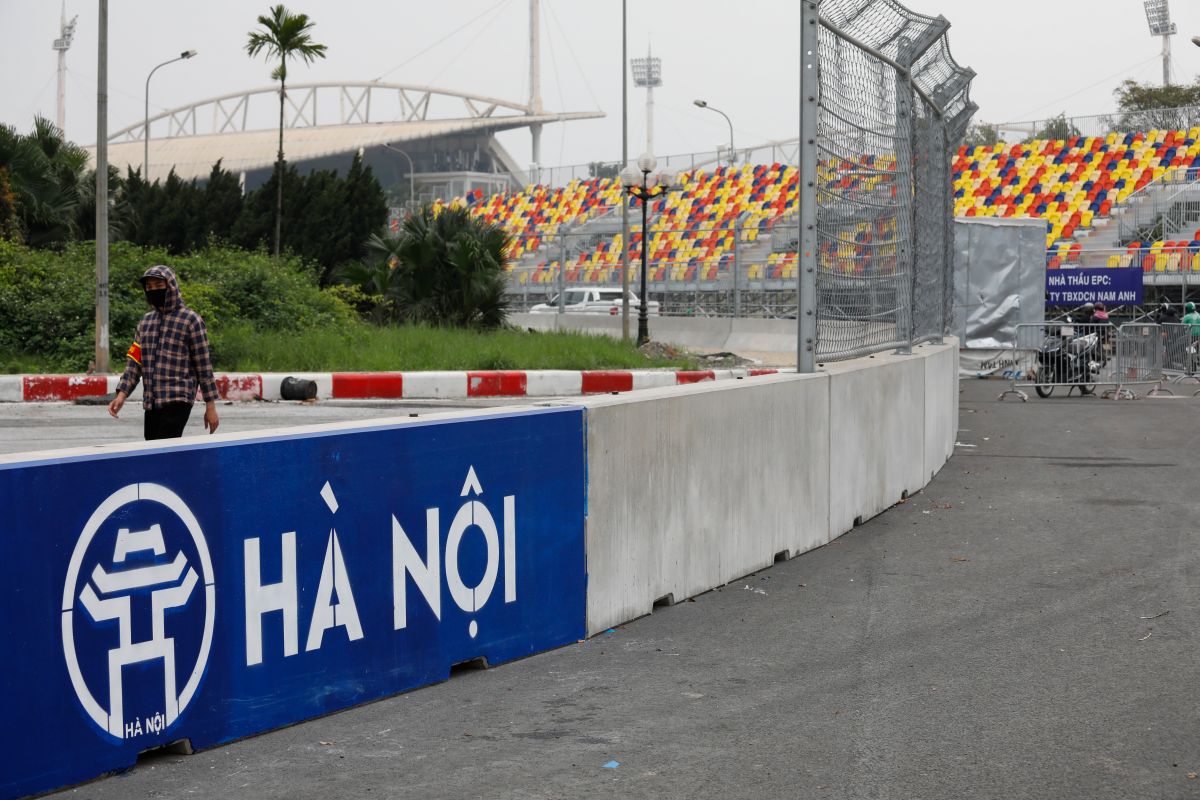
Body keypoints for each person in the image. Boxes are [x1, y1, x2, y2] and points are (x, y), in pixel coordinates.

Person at [107, 265, 220, 439]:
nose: (154, 291)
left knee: (164, 447)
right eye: (149, 287)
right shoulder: (145, 323)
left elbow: (203, 366)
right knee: (152, 449)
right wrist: (122, 395)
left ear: (171, 287)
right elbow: (135, 363)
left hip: (178, 397)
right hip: (152, 399)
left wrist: (210, 407)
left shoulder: (191, 320)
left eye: (159, 286)